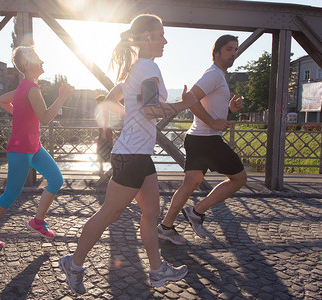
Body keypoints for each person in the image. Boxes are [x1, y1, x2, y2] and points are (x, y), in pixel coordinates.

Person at [58, 14, 210, 295]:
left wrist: (131, 115)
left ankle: (156, 270)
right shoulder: (149, 68)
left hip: (138, 155)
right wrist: (183, 104)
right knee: (109, 213)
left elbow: (113, 100)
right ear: (148, 38)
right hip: (131, 156)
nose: (165, 40)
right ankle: (74, 263)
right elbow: (152, 110)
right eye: (161, 34)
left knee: (151, 212)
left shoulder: (136, 69)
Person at [0, 46, 73, 248]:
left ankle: (37, 222)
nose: (43, 61)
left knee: (56, 179)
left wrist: (20, 114)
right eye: (38, 58)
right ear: (28, 64)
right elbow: (45, 118)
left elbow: (1, 100)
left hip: (34, 146)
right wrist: (62, 96)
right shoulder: (32, 88)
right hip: (20, 150)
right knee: (12, 193)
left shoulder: (24, 86)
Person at [157, 35, 247, 245]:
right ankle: (196, 212)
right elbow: (190, 100)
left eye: (235, 49)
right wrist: (213, 122)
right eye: (228, 49)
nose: (233, 53)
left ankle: (165, 227)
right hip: (207, 139)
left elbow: (208, 106)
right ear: (216, 53)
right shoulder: (214, 74)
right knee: (239, 179)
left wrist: (229, 110)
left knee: (190, 184)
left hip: (197, 138)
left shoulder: (218, 76)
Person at [95, 94, 113, 173]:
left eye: (98, 102)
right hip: (103, 130)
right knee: (102, 149)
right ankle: (102, 168)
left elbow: (106, 121)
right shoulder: (103, 109)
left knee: (104, 149)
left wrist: (103, 133)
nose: (97, 104)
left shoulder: (105, 110)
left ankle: (110, 168)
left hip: (105, 131)